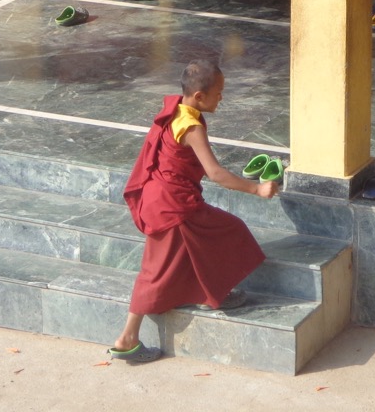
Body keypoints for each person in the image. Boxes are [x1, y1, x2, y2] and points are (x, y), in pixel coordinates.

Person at [109, 58, 278, 363]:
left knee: (224, 232)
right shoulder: (191, 127)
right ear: (199, 96)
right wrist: (257, 189)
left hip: (165, 199)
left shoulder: (176, 109)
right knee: (155, 273)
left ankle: (209, 293)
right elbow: (215, 173)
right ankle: (126, 339)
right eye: (218, 92)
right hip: (172, 208)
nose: (221, 98)